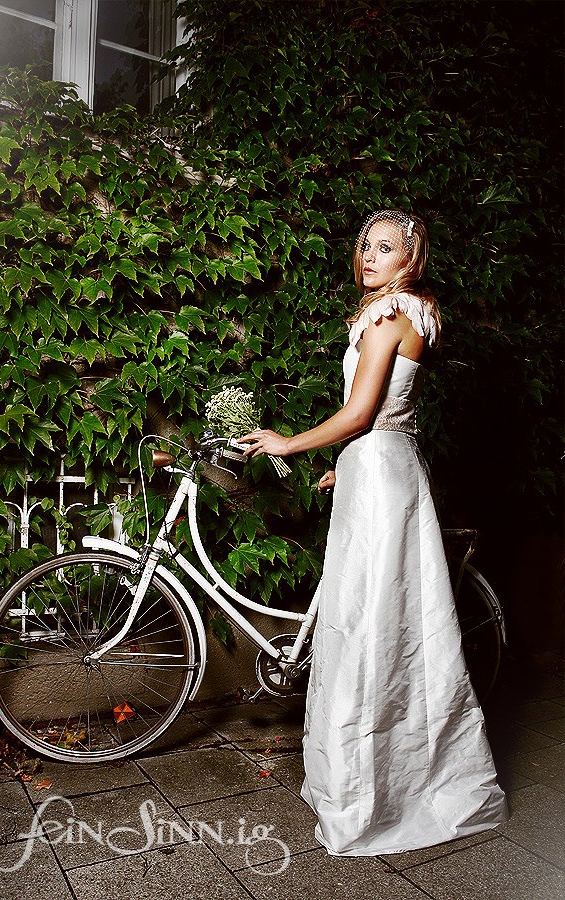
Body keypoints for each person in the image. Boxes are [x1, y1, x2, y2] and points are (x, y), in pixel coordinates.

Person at [241, 208, 508, 856]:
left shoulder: (391, 316)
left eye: (385, 248)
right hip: (384, 471)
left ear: (410, 260)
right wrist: (348, 466)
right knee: (382, 626)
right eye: (365, 245)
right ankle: (373, 782)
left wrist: (289, 443)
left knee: (371, 633)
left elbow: (360, 411)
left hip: (381, 477)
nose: (368, 256)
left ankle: (370, 800)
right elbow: (388, 420)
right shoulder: (406, 312)